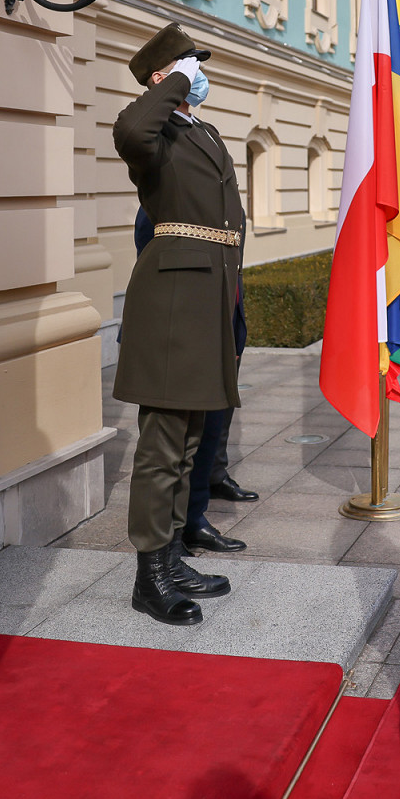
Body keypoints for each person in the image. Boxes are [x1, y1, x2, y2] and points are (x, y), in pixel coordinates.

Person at [113, 23, 245, 624]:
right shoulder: (151, 128)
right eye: (192, 66)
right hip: (171, 301)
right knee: (162, 444)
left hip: (206, 299)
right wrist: (168, 87)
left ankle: (171, 556)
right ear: (164, 77)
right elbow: (131, 130)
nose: (201, 75)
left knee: (189, 441)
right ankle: (150, 575)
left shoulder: (201, 131)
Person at [132, 207, 252, 554]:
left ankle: (195, 518)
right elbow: (156, 265)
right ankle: (169, 540)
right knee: (174, 445)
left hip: (221, 327)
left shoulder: (222, 203)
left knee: (210, 429)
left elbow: (232, 269)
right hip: (184, 333)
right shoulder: (166, 201)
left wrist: (235, 328)